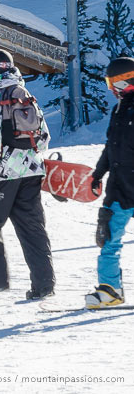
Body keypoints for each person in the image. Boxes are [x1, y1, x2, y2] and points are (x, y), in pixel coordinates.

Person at [0, 48, 54, 300]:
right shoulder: (25, 94)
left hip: (3, 173)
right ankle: (44, 286)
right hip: (31, 171)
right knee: (32, 228)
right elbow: (44, 139)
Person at [87, 57, 134, 308]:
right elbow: (110, 147)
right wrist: (98, 174)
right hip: (120, 189)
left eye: (111, 82)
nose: (110, 88)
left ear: (124, 80)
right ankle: (110, 290)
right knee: (108, 238)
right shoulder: (119, 109)